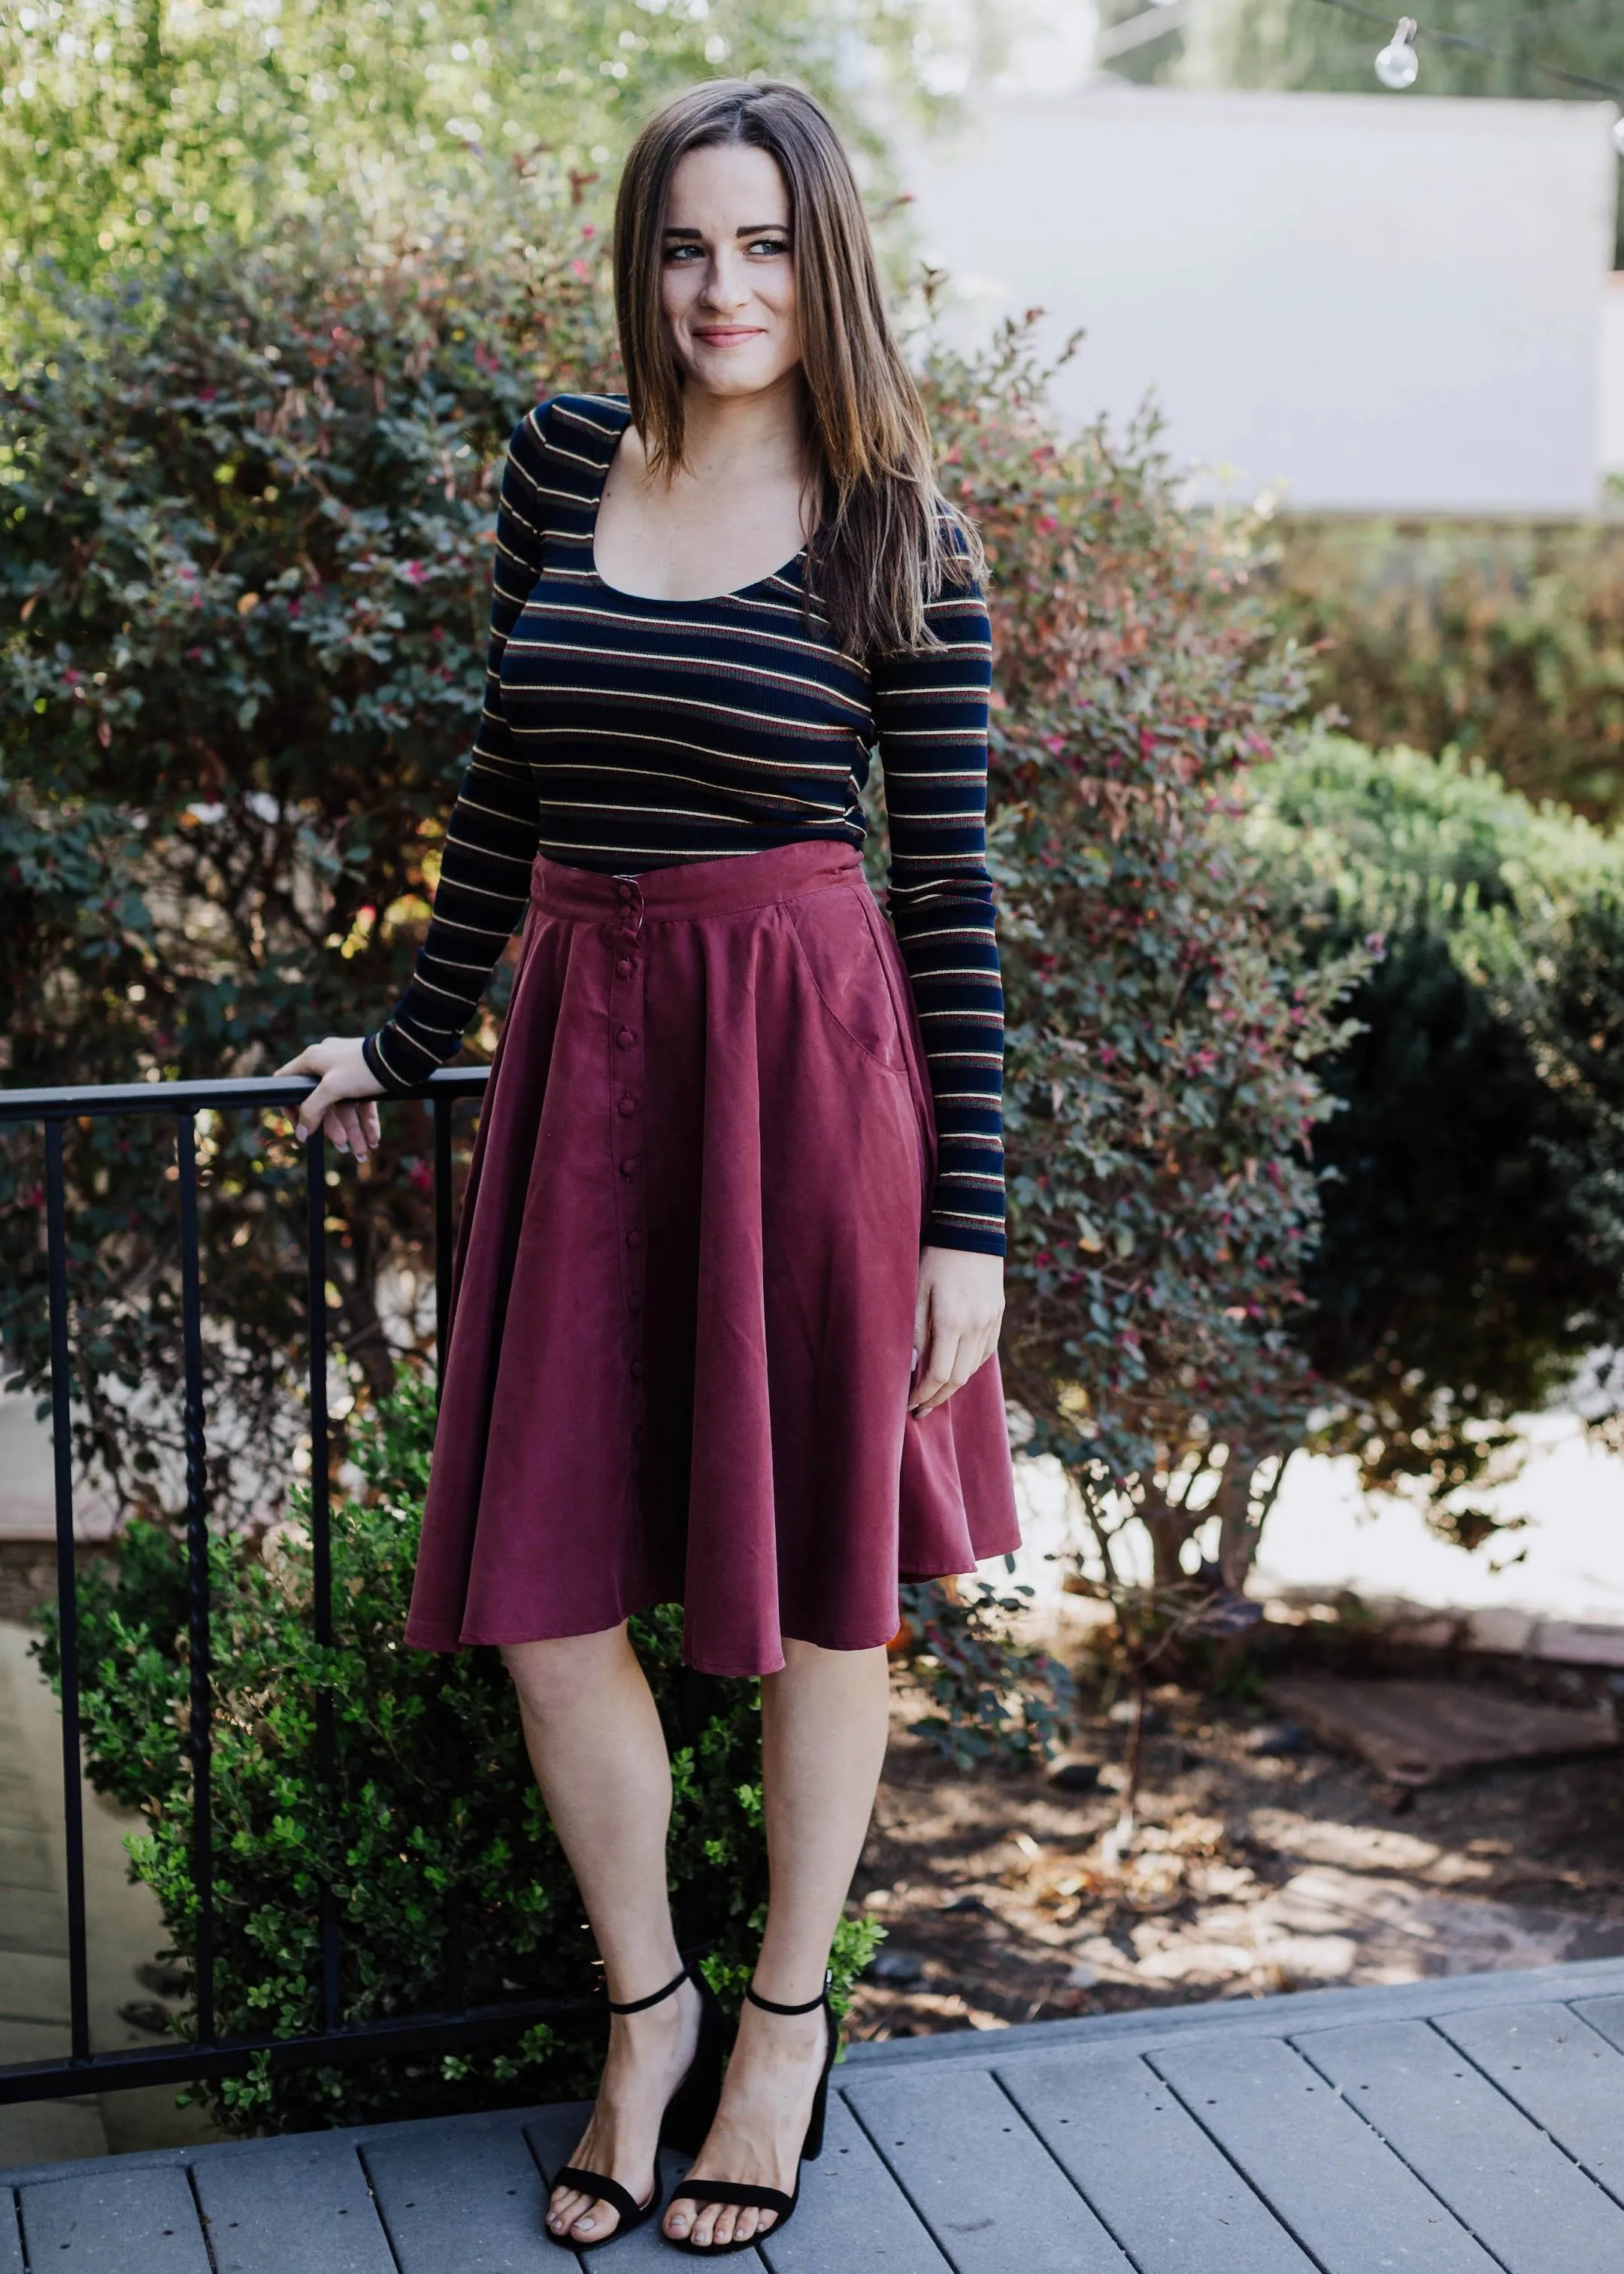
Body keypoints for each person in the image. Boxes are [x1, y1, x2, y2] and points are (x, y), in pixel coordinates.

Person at [277, 75, 1019, 2258]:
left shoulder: (902, 525)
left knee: (822, 1598)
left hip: (804, 1067)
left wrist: (969, 1224)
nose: (724, 289)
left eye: (767, 247)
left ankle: (784, 2026)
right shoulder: (557, 461)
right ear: (643, 258)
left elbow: (955, 900)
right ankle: (650, 2011)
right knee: (549, 1591)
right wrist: (415, 1031)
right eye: (688, 246)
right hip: (585, 1051)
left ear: (829, 261)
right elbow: (508, 767)